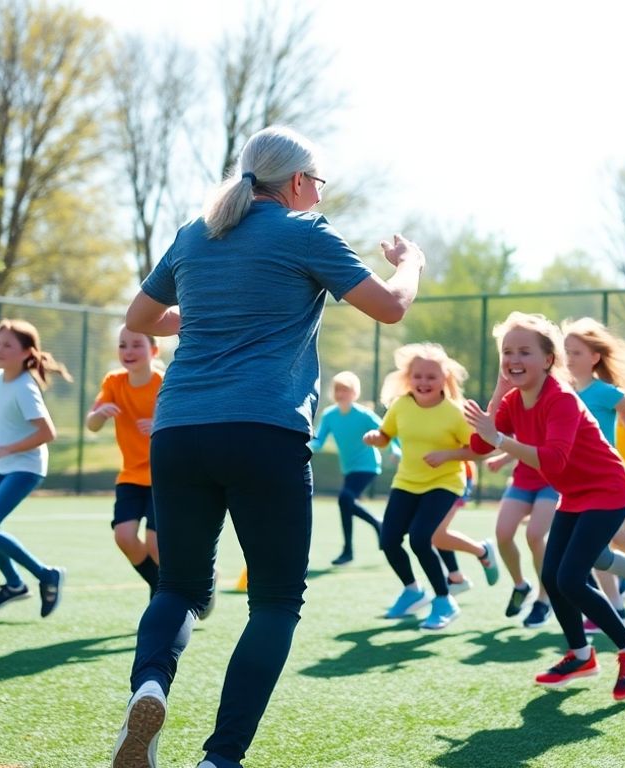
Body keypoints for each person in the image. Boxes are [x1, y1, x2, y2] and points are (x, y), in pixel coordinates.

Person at [111, 126, 427, 768]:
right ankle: (219, 758)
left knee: (178, 586)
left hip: (178, 433)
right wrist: (411, 262)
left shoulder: (196, 233)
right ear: (299, 183)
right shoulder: (304, 234)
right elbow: (391, 309)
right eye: (318, 182)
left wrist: (196, 316)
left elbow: (139, 321)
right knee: (277, 600)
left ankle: (150, 685)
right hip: (264, 432)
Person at [465, 312, 625, 702]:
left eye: (525, 352)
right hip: (575, 495)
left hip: (609, 490)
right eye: (507, 352)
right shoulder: (514, 399)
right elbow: (482, 446)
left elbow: (552, 462)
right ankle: (581, 654)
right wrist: (498, 397)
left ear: (549, 360)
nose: (514, 359)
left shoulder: (561, 399)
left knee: (569, 578)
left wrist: (498, 437)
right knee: (552, 575)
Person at [364, 342, 499, 631]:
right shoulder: (401, 405)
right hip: (407, 481)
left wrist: (447, 455)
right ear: (408, 378)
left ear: (444, 380)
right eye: (418, 376)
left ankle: (444, 600)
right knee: (388, 539)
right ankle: (413, 591)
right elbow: (386, 434)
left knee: (420, 538)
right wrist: (376, 437)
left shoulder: (455, 412)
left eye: (431, 376)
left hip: (445, 482)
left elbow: (478, 450)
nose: (424, 382)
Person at [561, 318, 625, 625]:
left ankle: (619, 605)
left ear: (595, 357)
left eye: (576, 352)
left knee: (597, 548)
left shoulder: (603, 392)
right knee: (592, 553)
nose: (568, 358)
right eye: (565, 351)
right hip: (577, 485)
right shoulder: (565, 393)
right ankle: (624, 600)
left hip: (606, 482)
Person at [0, 318, 71, 618]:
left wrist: (4, 451)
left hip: (27, 466)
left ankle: (46, 574)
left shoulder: (26, 387)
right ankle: (15, 585)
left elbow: (47, 433)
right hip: (4, 464)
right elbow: (5, 427)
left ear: (27, 353)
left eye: (7, 345)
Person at [86, 326, 165, 599]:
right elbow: (92, 424)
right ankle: (159, 585)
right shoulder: (113, 382)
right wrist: (100, 414)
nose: (128, 351)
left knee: (156, 545)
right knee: (124, 536)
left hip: (164, 476)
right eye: (122, 345)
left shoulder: (165, 383)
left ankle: (198, 583)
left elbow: (182, 423)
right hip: (131, 475)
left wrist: (159, 425)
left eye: (136, 345)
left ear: (154, 351)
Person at [309, 371, 385, 566]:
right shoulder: (329, 415)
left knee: (345, 498)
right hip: (349, 467)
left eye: (345, 389)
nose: (340, 393)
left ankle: (350, 548)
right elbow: (318, 441)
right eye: (337, 389)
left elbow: (388, 431)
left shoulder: (364, 414)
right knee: (346, 503)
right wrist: (305, 446)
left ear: (354, 392)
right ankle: (372, 528)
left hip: (368, 465)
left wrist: (396, 449)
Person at [484, 449, 559, 629]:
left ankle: (544, 599)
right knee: (503, 534)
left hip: (553, 480)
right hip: (523, 480)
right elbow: (523, 440)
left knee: (534, 536)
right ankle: (521, 586)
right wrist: (504, 458)